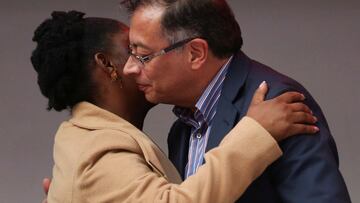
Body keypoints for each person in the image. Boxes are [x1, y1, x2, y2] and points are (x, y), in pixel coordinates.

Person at [33, 11, 318, 202]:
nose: (138, 62)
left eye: (142, 53)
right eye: (132, 51)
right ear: (107, 65)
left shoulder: (87, 135)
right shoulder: (98, 148)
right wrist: (255, 133)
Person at [120, 0, 351, 202]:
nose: (129, 68)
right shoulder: (182, 127)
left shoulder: (278, 103)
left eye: (143, 56)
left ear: (196, 53)